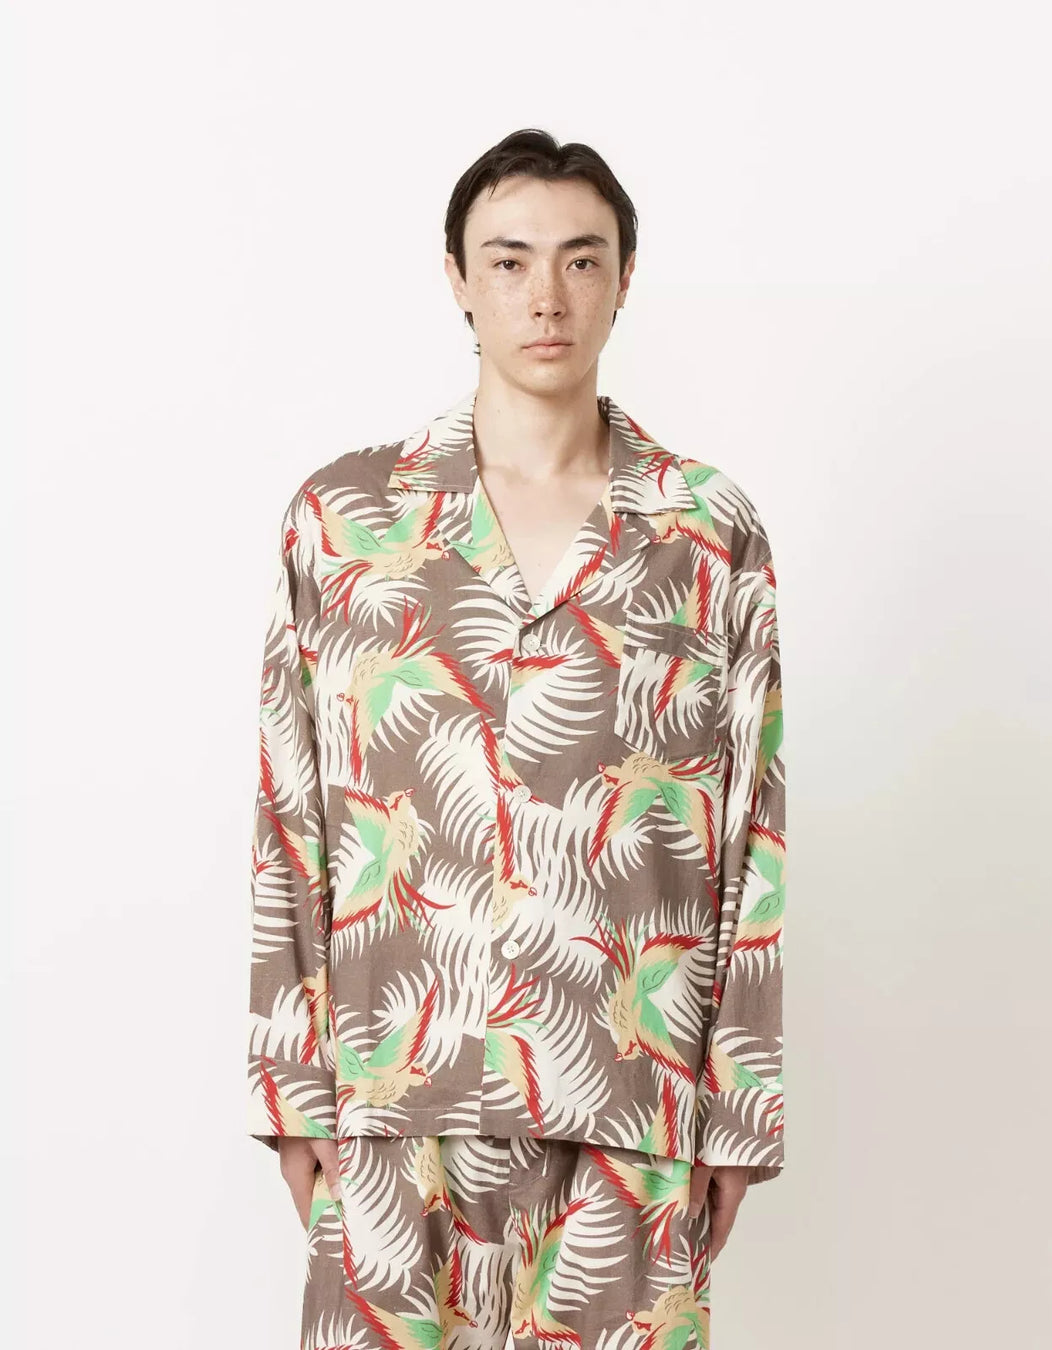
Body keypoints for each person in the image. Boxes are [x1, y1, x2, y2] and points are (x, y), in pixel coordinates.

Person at [246, 127, 786, 1348]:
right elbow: (291, 814)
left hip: (630, 1105)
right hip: (395, 1097)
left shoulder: (708, 529)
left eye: (581, 260)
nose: (546, 295)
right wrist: (290, 1086)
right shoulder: (343, 520)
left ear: (624, 279)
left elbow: (756, 831)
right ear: (458, 277)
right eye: (509, 260)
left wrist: (741, 1106)